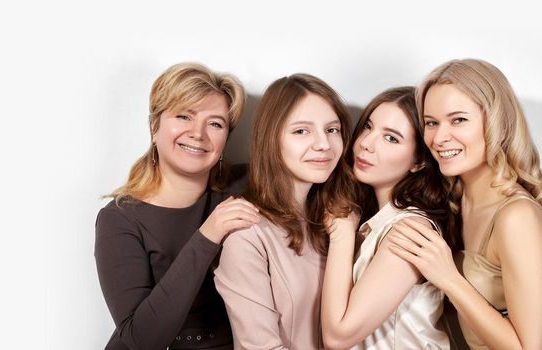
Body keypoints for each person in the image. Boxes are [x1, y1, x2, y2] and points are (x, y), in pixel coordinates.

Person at [95, 62, 261, 350]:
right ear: (154, 126)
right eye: (184, 116)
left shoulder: (246, 185)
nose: (198, 133)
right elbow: (142, 339)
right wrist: (208, 235)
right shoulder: (120, 219)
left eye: (215, 123)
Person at [387, 58, 542, 350]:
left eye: (458, 120)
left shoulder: (516, 217)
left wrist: (449, 278)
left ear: (497, 122)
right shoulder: (454, 201)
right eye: (431, 123)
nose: (440, 138)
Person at [214, 73, 354, 349]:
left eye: (332, 130)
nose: (323, 144)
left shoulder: (339, 221)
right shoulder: (247, 235)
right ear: (272, 139)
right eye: (302, 131)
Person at [320, 86, 452, 349]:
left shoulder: (410, 230)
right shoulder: (376, 220)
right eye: (368, 127)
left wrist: (342, 234)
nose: (366, 143)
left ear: (419, 161)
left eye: (391, 138)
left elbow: (338, 337)